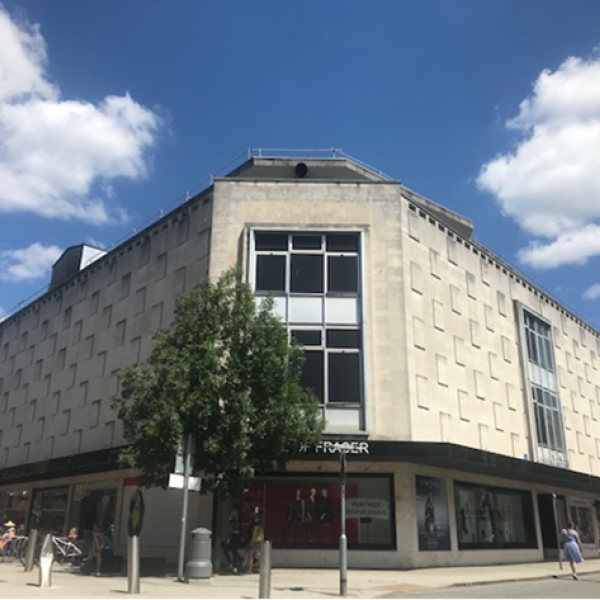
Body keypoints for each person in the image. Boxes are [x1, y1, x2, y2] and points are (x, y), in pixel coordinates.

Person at [222, 505, 243, 573]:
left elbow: (236, 529)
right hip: (232, 536)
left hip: (235, 537)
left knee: (233, 551)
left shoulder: (237, 520)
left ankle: (234, 565)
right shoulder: (232, 519)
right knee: (227, 550)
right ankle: (237, 561)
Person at [246, 506, 264, 574]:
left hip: (255, 540)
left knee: (254, 554)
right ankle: (250, 569)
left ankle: (251, 569)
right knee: (252, 554)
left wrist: (252, 541)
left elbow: (255, 532)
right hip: (255, 540)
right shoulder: (257, 522)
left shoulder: (256, 522)